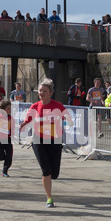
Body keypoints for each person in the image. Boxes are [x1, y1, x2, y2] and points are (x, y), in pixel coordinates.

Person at [20, 78, 72, 208]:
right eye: (40, 90)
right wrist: (23, 124)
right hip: (38, 141)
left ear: (50, 93)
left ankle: (49, 182)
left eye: (44, 91)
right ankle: (49, 197)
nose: (41, 93)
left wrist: (66, 118)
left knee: (54, 174)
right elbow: (27, 120)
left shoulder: (58, 106)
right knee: (46, 170)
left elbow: (69, 119)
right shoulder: (35, 106)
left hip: (55, 141)